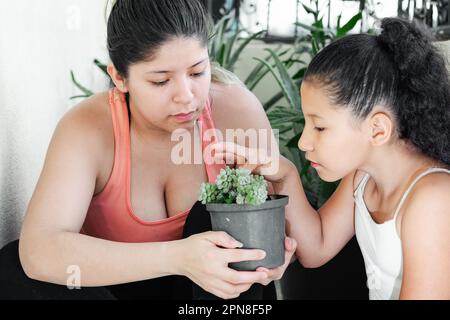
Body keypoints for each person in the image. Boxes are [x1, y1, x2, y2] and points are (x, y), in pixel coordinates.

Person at [0, 0, 296, 300]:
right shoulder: (88, 128)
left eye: (197, 72)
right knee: (12, 267)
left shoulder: (236, 110)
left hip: (217, 301)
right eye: (161, 80)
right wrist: (179, 258)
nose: (186, 96)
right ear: (119, 77)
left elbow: (289, 235)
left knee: (207, 220)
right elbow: (39, 251)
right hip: (122, 294)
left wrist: (275, 255)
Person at [212, 17, 450, 300]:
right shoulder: (362, 177)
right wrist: (286, 173)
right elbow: (317, 247)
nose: (303, 141)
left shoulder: (433, 198)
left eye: (320, 127)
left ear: (377, 129)